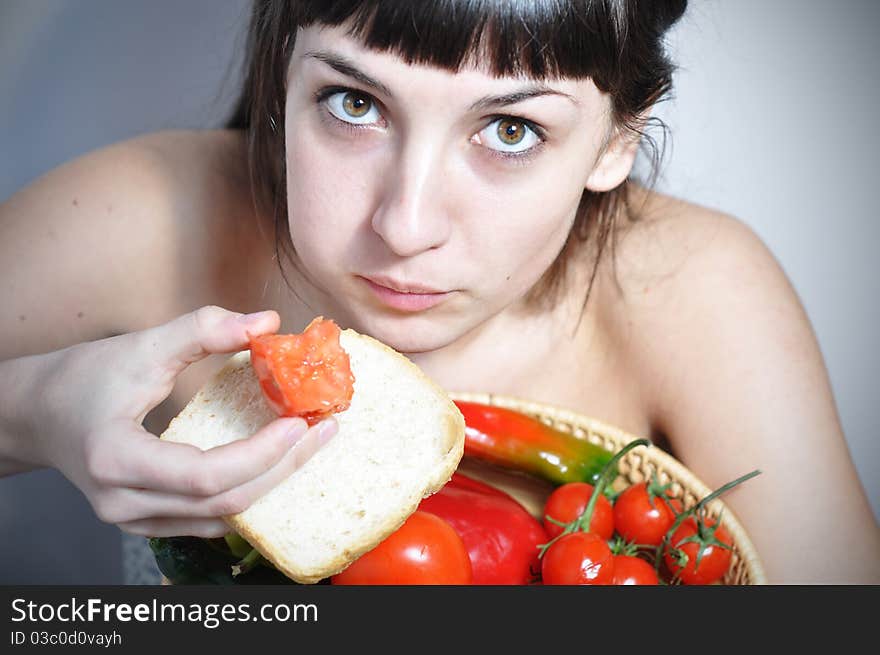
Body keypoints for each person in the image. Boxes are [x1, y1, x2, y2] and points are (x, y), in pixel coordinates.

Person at [0, 0, 877, 585]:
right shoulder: (146, 215)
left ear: (615, 141)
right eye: (352, 103)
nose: (407, 224)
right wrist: (34, 410)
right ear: (282, 81)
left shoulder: (699, 290)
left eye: (510, 128)